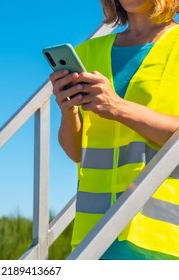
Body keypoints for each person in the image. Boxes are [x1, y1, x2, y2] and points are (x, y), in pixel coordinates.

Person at [50, 0, 179, 259]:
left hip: (160, 239)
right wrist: (68, 111)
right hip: (94, 233)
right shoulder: (88, 52)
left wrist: (117, 107)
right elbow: (76, 152)